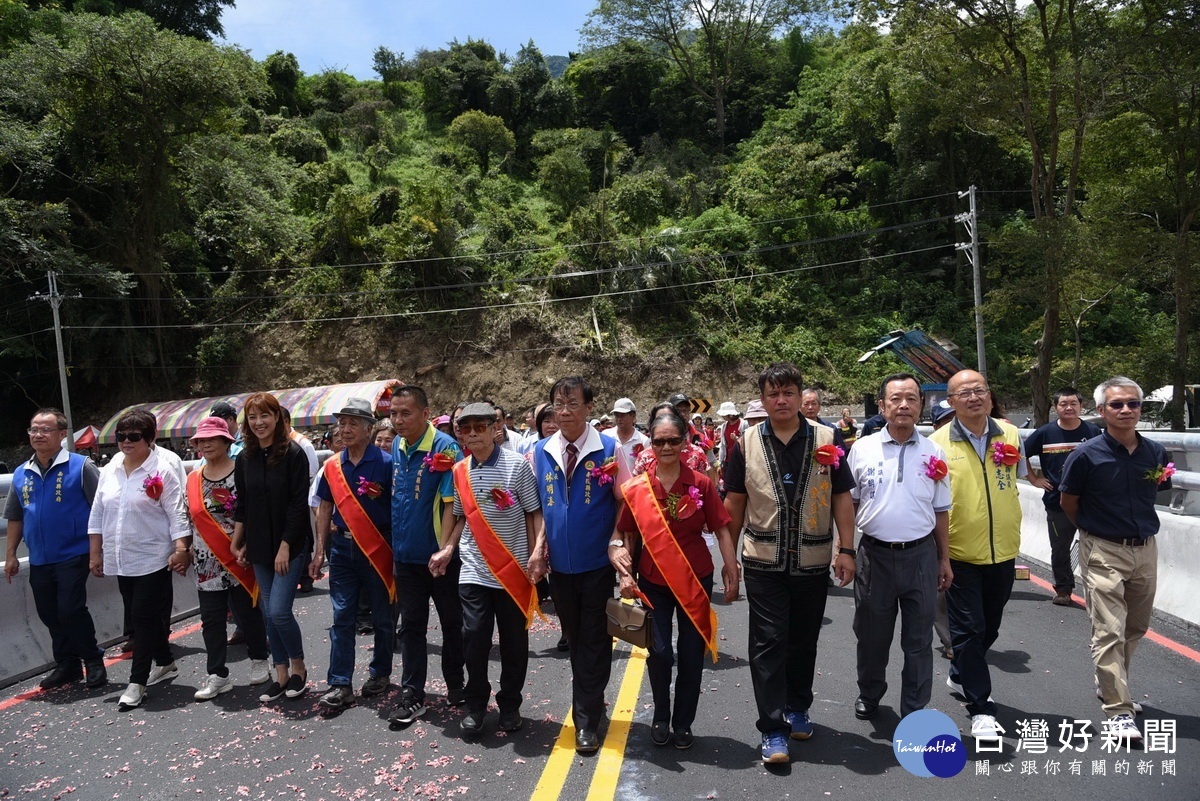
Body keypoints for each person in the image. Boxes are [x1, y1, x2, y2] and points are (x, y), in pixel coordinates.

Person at [722, 361, 857, 764]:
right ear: (763, 400)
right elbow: (734, 503)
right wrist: (730, 562)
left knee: (803, 640)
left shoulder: (827, 438)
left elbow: (841, 498)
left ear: (801, 397)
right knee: (767, 644)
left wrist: (846, 549)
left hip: (813, 560)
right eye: (773, 393)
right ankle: (773, 727)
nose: (781, 400)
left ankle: (798, 707)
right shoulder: (745, 442)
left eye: (788, 393)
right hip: (763, 561)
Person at [611, 406, 737, 750]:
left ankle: (683, 723)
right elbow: (625, 535)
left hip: (695, 578)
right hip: (653, 580)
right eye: (659, 441)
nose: (666, 447)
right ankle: (661, 715)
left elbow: (722, 528)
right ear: (649, 443)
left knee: (692, 653)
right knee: (661, 652)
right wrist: (623, 570)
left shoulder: (700, 484)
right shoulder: (638, 489)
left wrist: (731, 567)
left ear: (685, 442)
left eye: (673, 440)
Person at [1059, 376, 1172, 742]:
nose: (1126, 410)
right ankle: (1118, 710)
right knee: (1108, 629)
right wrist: (1093, 534)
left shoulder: (1155, 453)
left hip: (1145, 548)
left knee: (1135, 627)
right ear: (1101, 411)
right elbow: (1068, 502)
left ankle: (1109, 683)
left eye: (1133, 404)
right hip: (1103, 549)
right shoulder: (1085, 454)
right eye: (1117, 405)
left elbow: (1159, 492)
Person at [430, 402, 545, 735]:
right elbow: (462, 517)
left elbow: (534, 512)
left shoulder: (517, 466)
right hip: (474, 570)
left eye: (479, 427)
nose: (472, 434)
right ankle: (476, 704)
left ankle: (510, 704)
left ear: (496, 429)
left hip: (512, 570)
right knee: (474, 637)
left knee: (513, 642)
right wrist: (448, 549)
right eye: (465, 429)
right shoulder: (459, 471)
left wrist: (537, 552)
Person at [846, 374, 953, 720]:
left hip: (921, 556)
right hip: (874, 555)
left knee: (919, 639)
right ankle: (870, 692)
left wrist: (944, 559)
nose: (903, 405)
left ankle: (914, 707)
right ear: (882, 406)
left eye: (911, 398)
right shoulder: (862, 449)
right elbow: (848, 504)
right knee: (872, 635)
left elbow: (940, 509)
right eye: (895, 399)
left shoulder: (934, 451)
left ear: (922, 405)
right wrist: (843, 549)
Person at [928, 369, 1025, 742]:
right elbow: (934, 503)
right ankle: (981, 708)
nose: (973, 397)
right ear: (950, 402)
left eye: (979, 390)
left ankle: (962, 672)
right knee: (968, 630)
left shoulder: (1010, 433)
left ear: (989, 394)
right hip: (961, 552)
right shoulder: (936, 444)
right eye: (963, 393)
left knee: (990, 626)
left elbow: (1014, 482)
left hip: (1003, 550)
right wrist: (941, 555)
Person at [532, 376, 626, 754]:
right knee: (574, 640)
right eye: (558, 403)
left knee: (595, 640)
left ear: (589, 407)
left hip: (596, 564)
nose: (564, 411)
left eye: (572, 403)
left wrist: (617, 541)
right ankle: (592, 702)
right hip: (560, 568)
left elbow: (624, 500)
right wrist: (539, 549)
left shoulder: (609, 448)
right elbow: (538, 507)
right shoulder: (541, 450)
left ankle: (585, 719)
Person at [88, 409, 191, 711]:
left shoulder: (162, 469)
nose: (126, 442)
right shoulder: (110, 469)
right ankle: (166, 662)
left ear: (150, 439)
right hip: (121, 557)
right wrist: (96, 552)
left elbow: (177, 514)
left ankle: (137, 682)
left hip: (153, 556)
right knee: (140, 614)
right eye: (121, 436)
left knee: (142, 617)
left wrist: (181, 549)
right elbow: (97, 512)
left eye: (134, 437)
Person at [5, 408, 106, 690]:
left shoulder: (81, 466)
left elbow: (101, 507)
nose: (38, 435)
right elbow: (16, 515)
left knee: (70, 609)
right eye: (33, 429)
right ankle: (67, 664)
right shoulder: (20, 473)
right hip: (39, 556)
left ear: (62, 435)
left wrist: (99, 549)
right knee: (48, 611)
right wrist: (11, 553)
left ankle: (93, 661)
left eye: (45, 430)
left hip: (74, 552)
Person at [308, 398, 395, 710]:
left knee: (384, 617)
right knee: (342, 615)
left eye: (352, 423)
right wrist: (319, 551)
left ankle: (381, 671)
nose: (344, 429)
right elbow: (324, 507)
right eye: (341, 423)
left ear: (369, 429)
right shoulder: (332, 465)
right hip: (342, 548)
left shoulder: (386, 463)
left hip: (379, 547)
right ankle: (340, 682)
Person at [387, 385, 466, 725]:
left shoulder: (445, 447)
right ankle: (412, 694)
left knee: (452, 625)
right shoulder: (397, 444)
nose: (398, 420)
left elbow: (454, 504)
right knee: (412, 628)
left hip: (440, 558)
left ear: (424, 412)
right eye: (393, 414)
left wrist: (446, 549)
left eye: (405, 413)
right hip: (405, 558)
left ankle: (456, 684)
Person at [230, 392, 313, 703]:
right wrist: (238, 541)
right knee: (267, 612)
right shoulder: (245, 458)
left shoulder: (293, 453)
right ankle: (280, 674)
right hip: (259, 546)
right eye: (252, 417)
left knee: (279, 611)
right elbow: (244, 505)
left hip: (290, 544)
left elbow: (297, 505)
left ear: (277, 418)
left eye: (264, 416)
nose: (258, 422)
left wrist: (286, 546)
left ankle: (299, 668)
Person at [184, 417, 270, 700]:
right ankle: (217, 674)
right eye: (201, 440)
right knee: (211, 619)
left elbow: (251, 513)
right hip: (205, 560)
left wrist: (243, 545)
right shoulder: (193, 479)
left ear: (226, 442)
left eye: (212, 439)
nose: (206, 444)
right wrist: (184, 549)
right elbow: (187, 518)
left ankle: (259, 659)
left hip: (238, 555)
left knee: (247, 613)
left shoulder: (240, 473)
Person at [1023, 388, 1102, 606]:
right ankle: (1064, 590)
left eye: (1073, 403)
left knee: (1096, 550)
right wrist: (1033, 479)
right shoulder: (1044, 433)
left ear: (1081, 406)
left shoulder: (1093, 431)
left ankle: (1097, 592)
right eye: (1063, 404)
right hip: (1056, 502)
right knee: (1060, 548)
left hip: (1090, 503)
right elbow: (1021, 454)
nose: (1068, 407)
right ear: (1055, 407)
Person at [610, 397, 650, 475]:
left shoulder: (643, 441)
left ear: (633, 416)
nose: (619, 419)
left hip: (633, 485)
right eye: (617, 415)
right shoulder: (606, 436)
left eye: (622, 415)